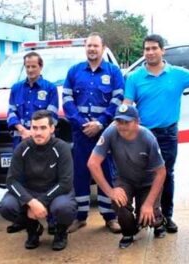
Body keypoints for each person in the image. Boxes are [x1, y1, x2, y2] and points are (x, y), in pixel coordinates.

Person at [123, 34, 189, 235]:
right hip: (142, 135)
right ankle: (144, 216)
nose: (150, 52)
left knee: (166, 175)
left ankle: (166, 216)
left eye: (154, 48)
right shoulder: (134, 78)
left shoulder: (177, 74)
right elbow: (126, 106)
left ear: (162, 50)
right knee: (141, 176)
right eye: (147, 49)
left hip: (168, 135)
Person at [62, 32, 124, 233]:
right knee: (80, 173)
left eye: (96, 46)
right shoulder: (74, 71)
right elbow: (67, 101)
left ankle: (110, 216)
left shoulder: (114, 72)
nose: (92, 49)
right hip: (81, 134)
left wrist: (100, 123)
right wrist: (82, 124)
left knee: (106, 172)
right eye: (89, 46)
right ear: (85, 48)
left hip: (105, 133)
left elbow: (117, 100)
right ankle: (80, 217)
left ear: (103, 48)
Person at [87, 105, 166, 249]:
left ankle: (158, 220)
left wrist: (148, 204)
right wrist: (110, 191)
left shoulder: (148, 138)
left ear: (137, 121)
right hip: (125, 179)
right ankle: (128, 232)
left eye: (127, 122)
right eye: (119, 122)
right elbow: (93, 163)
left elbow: (161, 173)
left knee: (148, 215)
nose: (122, 126)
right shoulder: (110, 132)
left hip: (148, 182)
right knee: (119, 203)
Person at [0, 110, 77, 251]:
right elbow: (11, 181)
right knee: (6, 206)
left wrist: (42, 202)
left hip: (56, 191)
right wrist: (31, 202)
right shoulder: (22, 148)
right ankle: (32, 228)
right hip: (30, 191)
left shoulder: (61, 147)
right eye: (34, 128)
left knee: (64, 208)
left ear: (52, 129)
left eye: (43, 128)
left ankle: (61, 232)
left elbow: (66, 182)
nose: (38, 132)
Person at [6, 51, 59, 234]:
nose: (30, 69)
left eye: (33, 66)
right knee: (21, 180)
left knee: (47, 179)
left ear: (40, 67)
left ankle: (52, 220)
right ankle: (24, 220)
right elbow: (11, 113)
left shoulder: (50, 89)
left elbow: (52, 117)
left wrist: (36, 132)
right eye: (27, 66)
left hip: (44, 145)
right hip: (21, 141)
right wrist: (22, 130)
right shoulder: (16, 88)